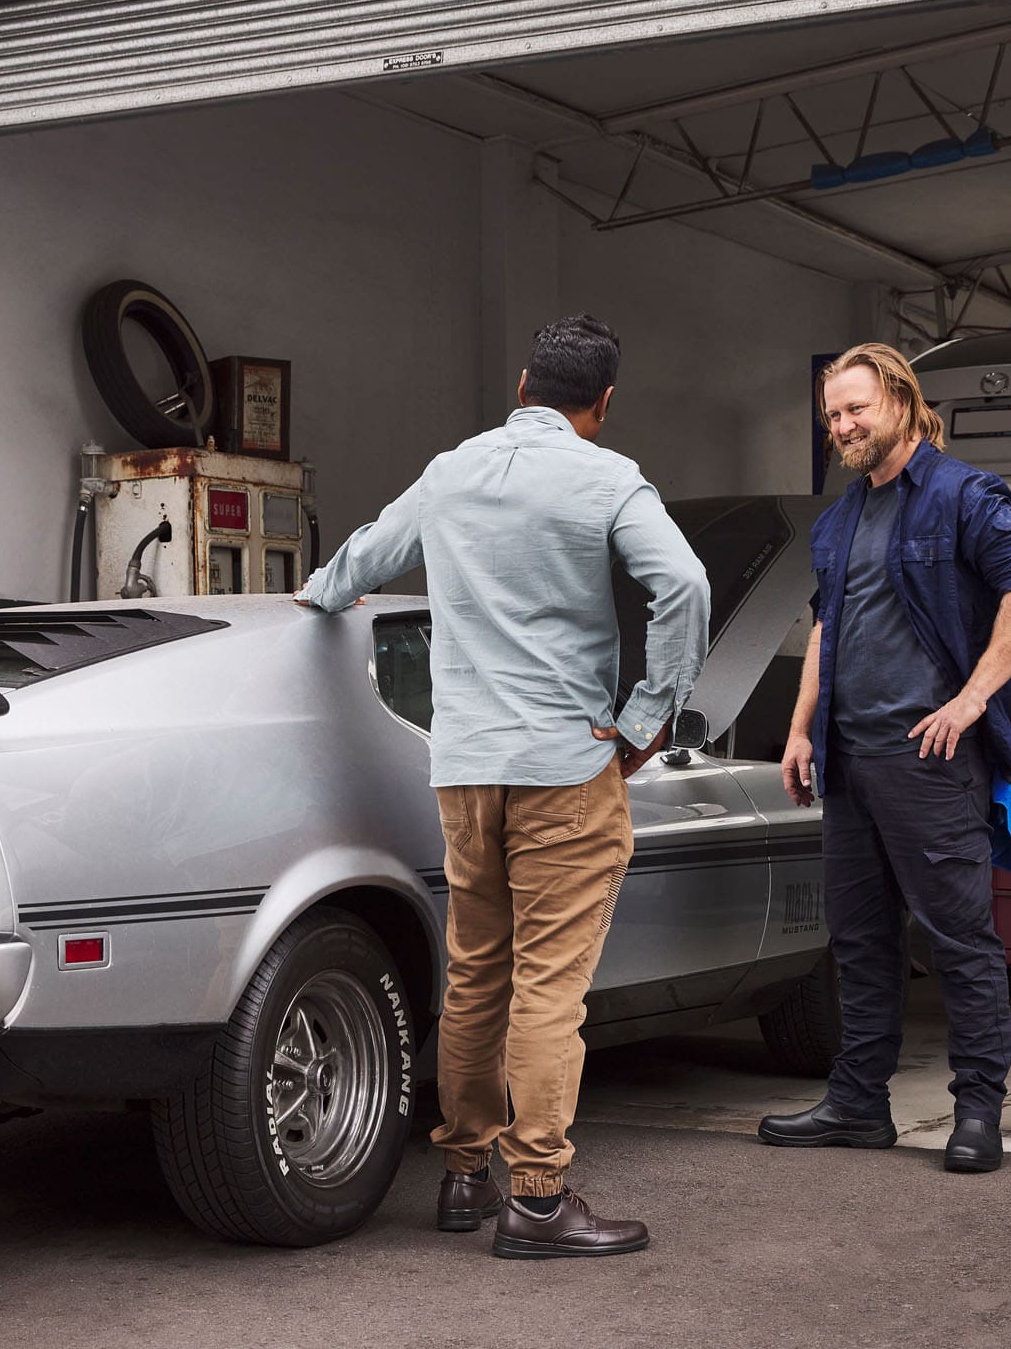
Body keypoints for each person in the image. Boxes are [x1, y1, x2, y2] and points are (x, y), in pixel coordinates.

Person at [296, 315, 709, 1258]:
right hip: (565, 769)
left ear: (523, 384)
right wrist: (645, 721)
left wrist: (318, 593)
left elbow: (361, 558)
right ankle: (538, 1197)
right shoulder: (607, 477)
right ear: (601, 404)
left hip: (466, 769)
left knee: (477, 973)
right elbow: (682, 587)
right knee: (549, 992)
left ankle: (464, 1174)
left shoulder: (452, 472)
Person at [758, 343, 1011, 1173]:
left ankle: (977, 1113)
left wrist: (970, 702)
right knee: (859, 941)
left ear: (897, 397)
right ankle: (859, 1105)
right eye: (831, 416)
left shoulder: (964, 495)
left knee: (959, 939)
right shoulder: (840, 517)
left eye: (855, 408)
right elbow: (828, 627)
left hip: (929, 760)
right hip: (850, 761)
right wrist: (799, 728)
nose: (843, 426)